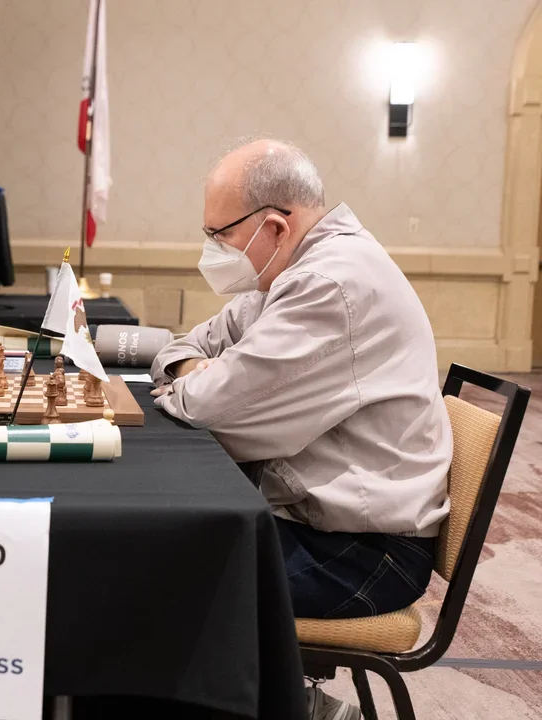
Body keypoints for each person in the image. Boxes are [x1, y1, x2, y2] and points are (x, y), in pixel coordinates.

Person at [151, 139, 452, 720]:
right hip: (319, 520)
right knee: (161, 559)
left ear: (273, 226)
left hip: (362, 548)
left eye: (219, 236)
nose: (212, 251)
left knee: (160, 586)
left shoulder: (329, 283)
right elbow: (184, 350)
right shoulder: (286, 272)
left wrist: (201, 379)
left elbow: (212, 410)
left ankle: (293, 707)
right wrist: (196, 370)